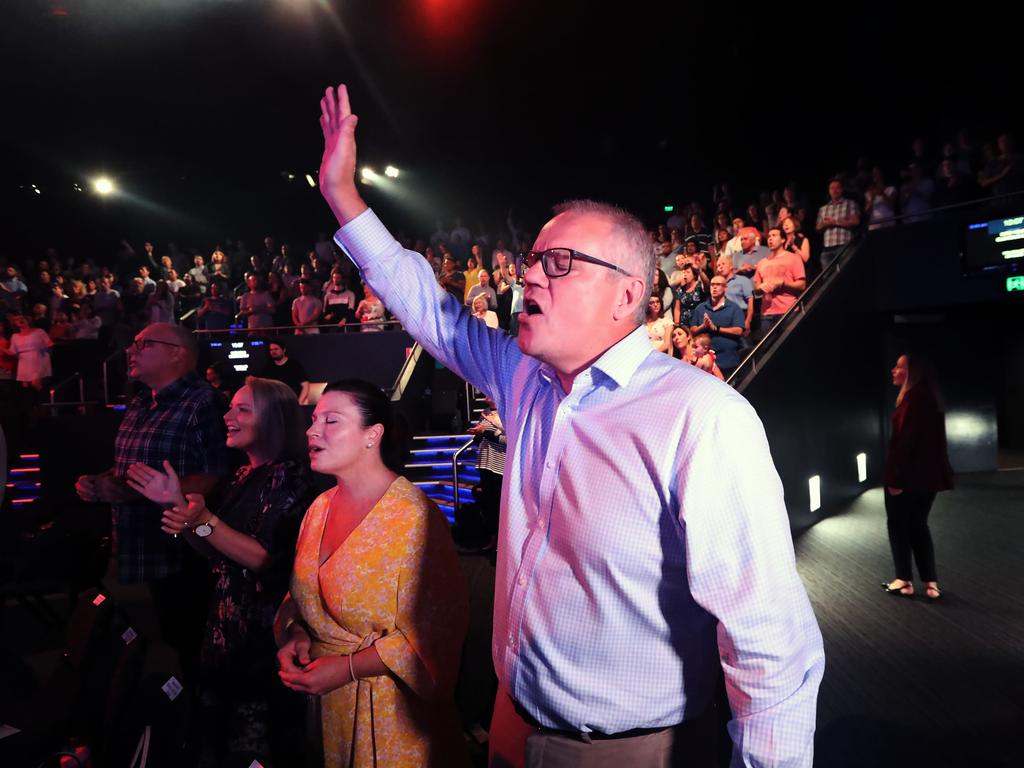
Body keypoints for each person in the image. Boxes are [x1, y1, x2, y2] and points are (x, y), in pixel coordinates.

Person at [316, 84, 823, 767]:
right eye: (531, 260)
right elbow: (428, 308)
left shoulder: (701, 418)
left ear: (626, 296)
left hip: (626, 751)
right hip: (510, 723)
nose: (529, 277)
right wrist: (343, 196)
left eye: (560, 264)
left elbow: (767, 637)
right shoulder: (524, 378)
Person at [276, 379, 469, 768]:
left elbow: (438, 629)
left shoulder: (414, 517)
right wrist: (295, 633)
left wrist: (347, 668)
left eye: (332, 421)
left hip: (391, 718)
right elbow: (302, 596)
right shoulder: (319, 508)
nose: (312, 431)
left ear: (373, 434)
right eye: (314, 420)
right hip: (328, 707)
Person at [126, 377, 313, 767]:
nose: (228, 416)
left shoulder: (288, 477)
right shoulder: (242, 475)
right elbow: (217, 554)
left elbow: (263, 560)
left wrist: (204, 519)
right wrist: (181, 508)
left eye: (243, 409)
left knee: (255, 746)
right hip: (225, 630)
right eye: (231, 407)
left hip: (261, 636)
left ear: (274, 420)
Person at [74, 323, 228, 681]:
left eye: (143, 344)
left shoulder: (204, 403)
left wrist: (127, 491)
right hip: (135, 552)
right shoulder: (143, 401)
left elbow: (214, 476)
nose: (131, 350)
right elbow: (129, 467)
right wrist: (100, 482)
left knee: (185, 654)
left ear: (177, 352)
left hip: (179, 557)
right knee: (151, 656)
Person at [881, 354, 953, 601]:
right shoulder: (932, 399)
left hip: (906, 480)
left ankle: (904, 580)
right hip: (928, 480)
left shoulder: (912, 400)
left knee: (898, 526)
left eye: (899, 367)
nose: (893, 370)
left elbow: (903, 446)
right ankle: (930, 583)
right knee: (919, 525)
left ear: (912, 372)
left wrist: (894, 480)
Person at [4, 313, 52, 391]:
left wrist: (47, 355)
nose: (20, 320)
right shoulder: (15, 336)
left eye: (22, 318)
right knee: (25, 385)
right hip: (24, 361)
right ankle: (32, 402)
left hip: (37, 359)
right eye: (17, 320)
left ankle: (42, 400)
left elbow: (49, 344)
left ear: (27, 320)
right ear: (15, 324)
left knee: (35, 383)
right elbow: (12, 352)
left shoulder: (39, 331)